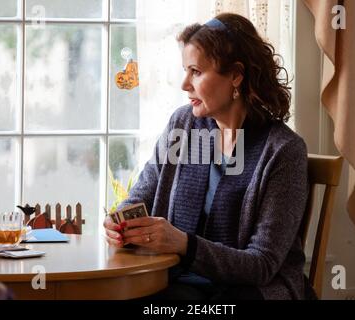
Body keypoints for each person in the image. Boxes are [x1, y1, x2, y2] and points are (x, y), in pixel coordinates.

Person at [104, 13, 314, 300]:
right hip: (181, 283)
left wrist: (184, 245)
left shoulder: (282, 151)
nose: (184, 84)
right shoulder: (184, 125)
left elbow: (262, 265)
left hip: (253, 292)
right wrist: (120, 222)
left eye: (196, 72)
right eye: (185, 70)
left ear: (236, 76)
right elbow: (144, 193)